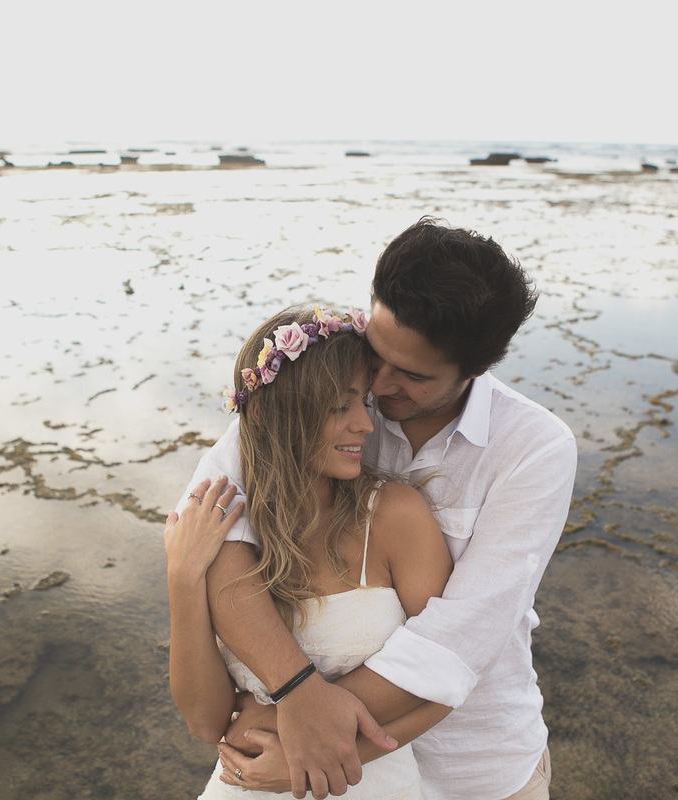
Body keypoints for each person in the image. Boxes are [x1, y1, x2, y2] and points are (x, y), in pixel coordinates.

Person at [185, 218, 578, 800]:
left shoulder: (534, 449)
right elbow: (216, 533)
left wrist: (305, 727)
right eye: (377, 353)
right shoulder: (325, 389)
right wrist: (295, 691)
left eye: (413, 375)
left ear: (477, 369)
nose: (380, 384)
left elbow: (463, 633)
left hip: (473, 767)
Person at [165, 305, 454, 799]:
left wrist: (319, 755)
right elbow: (205, 722)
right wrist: (182, 578)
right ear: (267, 415)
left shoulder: (395, 515)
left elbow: (446, 683)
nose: (366, 425)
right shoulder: (221, 532)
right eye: (339, 408)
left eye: (363, 402)